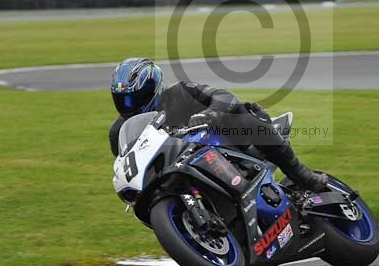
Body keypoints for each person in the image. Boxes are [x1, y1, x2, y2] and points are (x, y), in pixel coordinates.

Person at [108, 57, 328, 191]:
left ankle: (301, 174)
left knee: (241, 112)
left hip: (221, 146)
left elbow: (224, 96)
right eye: (122, 100)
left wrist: (209, 115)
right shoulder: (119, 132)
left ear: (153, 88)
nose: (129, 105)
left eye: (135, 98)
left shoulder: (180, 93)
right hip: (177, 174)